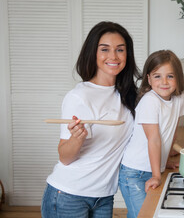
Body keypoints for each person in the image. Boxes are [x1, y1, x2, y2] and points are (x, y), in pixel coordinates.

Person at [41, 21, 140, 218]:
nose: (113, 56)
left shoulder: (128, 95)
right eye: (105, 49)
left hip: (103, 196)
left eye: (120, 50)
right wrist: (76, 139)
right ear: (93, 54)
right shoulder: (79, 96)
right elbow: (65, 157)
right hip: (69, 195)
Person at [119, 50, 184, 218]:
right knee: (144, 216)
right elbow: (154, 139)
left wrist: (166, 159)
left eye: (170, 76)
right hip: (135, 172)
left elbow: (172, 131)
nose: (164, 82)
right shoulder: (150, 101)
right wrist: (157, 175)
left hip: (155, 166)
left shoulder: (179, 98)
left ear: (179, 78)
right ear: (148, 79)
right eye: (157, 76)